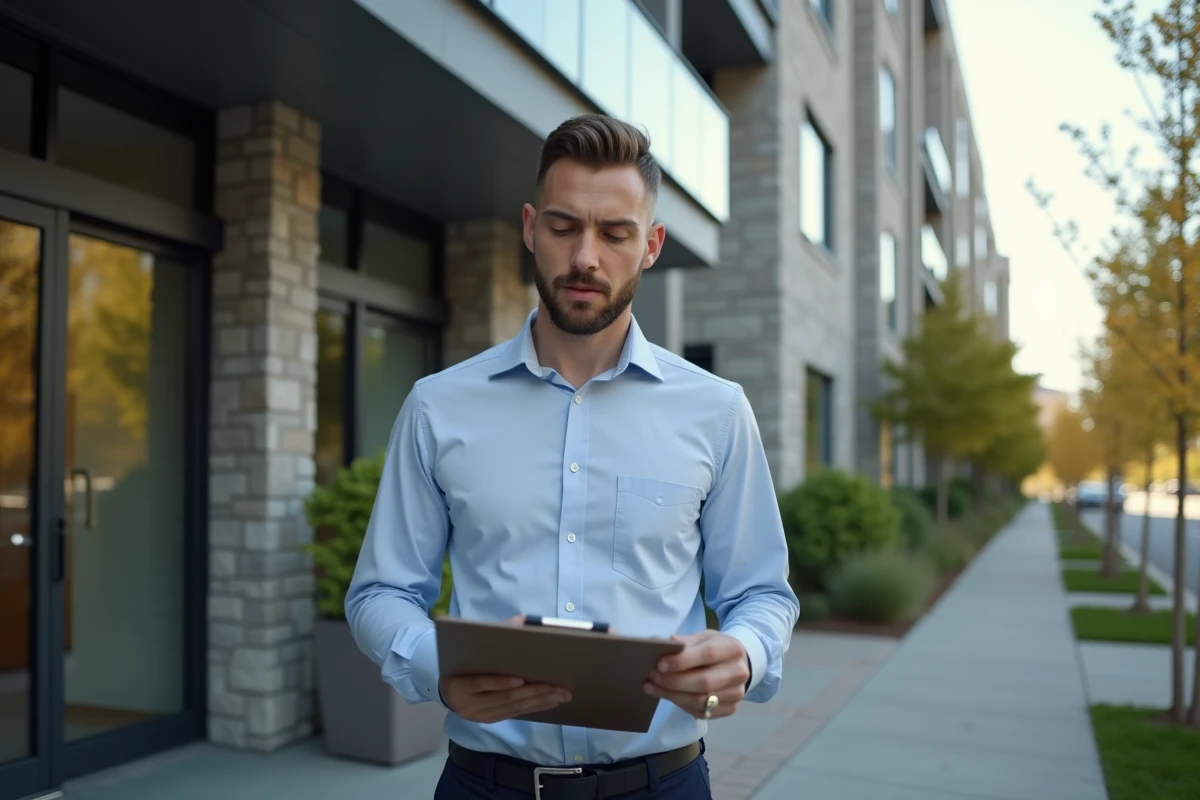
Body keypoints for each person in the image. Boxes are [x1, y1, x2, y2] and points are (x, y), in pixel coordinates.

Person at [344, 114, 799, 799]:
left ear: (650, 245)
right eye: (563, 227)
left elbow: (759, 593)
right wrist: (436, 665)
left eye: (614, 233)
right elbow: (380, 592)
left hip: (663, 785)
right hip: (484, 784)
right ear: (530, 228)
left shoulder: (717, 410)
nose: (585, 256)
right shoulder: (438, 406)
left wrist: (745, 652)